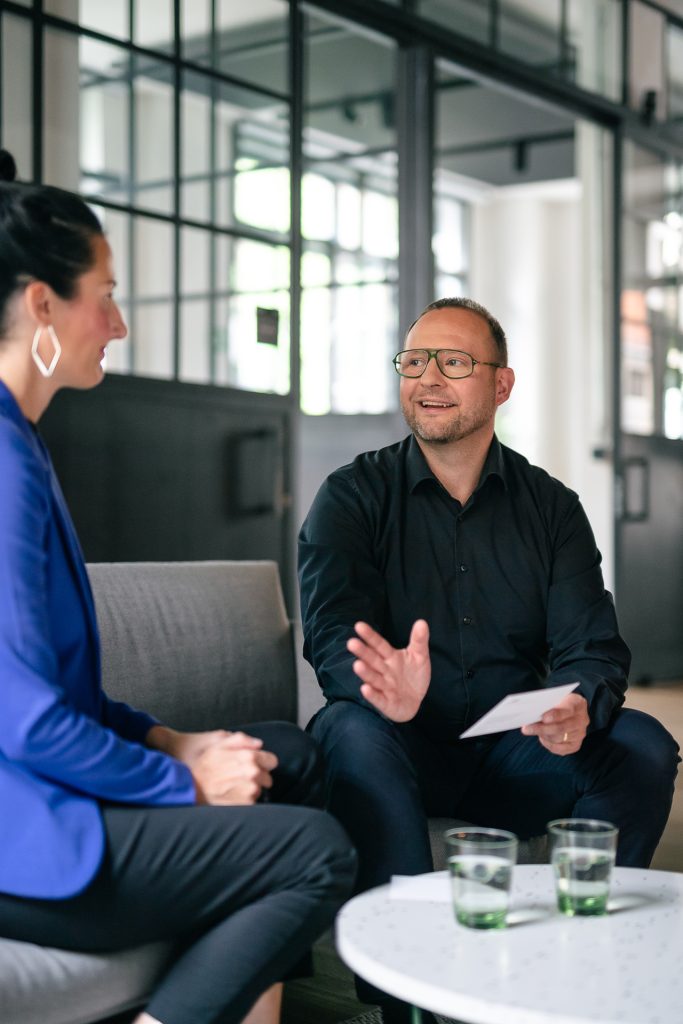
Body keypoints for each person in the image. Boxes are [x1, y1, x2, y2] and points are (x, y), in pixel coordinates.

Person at [0, 148, 356, 1024]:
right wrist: (184, 783)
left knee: (290, 753)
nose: (116, 324)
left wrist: (174, 740)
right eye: (106, 293)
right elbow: (23, 716)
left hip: (41, 791)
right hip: (23, 842)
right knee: (316, 851)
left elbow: (62, 694)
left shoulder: (25, 447)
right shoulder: (3, 460)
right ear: (43, 303)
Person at [298, 296, 680, 1024]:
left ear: (500, 385)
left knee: (640, 745)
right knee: (348, 729)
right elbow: (329, 637)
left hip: (518, 753)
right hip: (397, 746)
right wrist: (382, 691)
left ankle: (578, 962)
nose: (427, 378)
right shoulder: (351, 496)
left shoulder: (551, 508)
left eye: (454, 362)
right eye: (413, 361)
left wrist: (577, 704)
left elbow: (590, 647)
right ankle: (404, 1000)